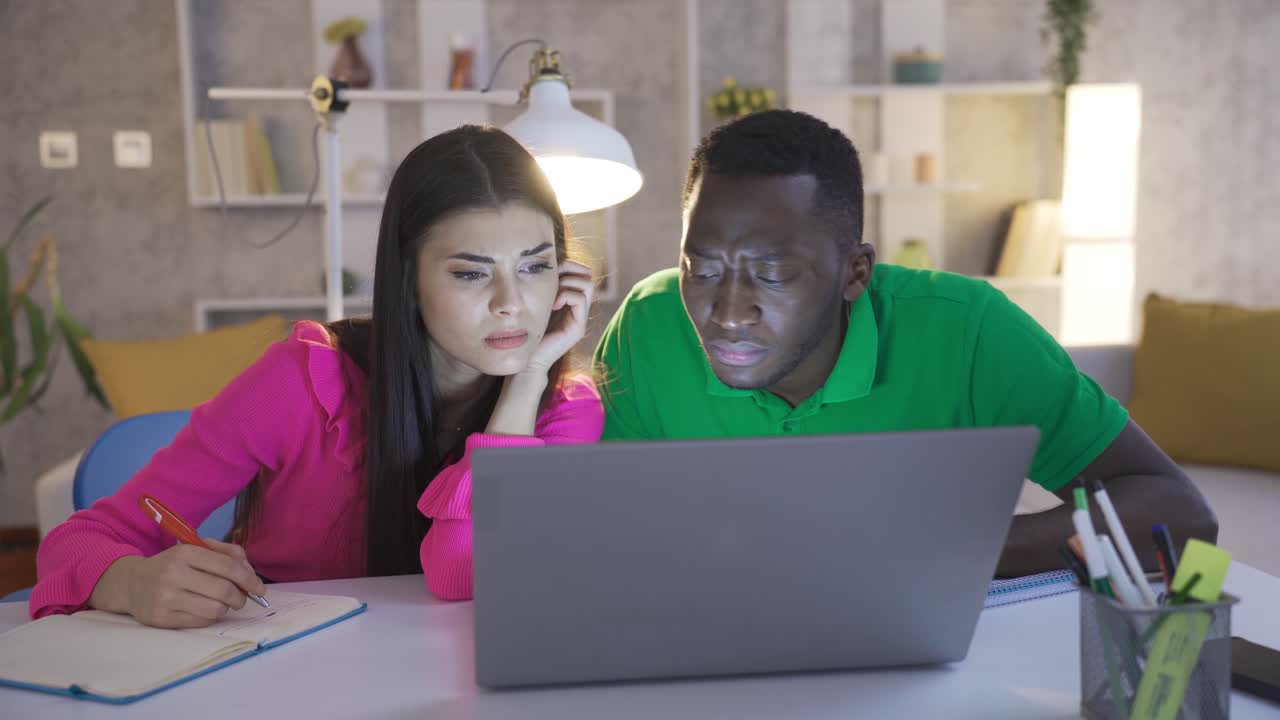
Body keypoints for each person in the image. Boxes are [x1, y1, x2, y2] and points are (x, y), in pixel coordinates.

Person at [593, 109, 1217, 577]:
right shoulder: (647, 326)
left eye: (774, 273)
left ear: (855, 273)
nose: (726, 312)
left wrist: (942, 555)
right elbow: (594, 531)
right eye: (701, 269)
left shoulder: (969, 330)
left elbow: (1180, 518)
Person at [32, 125, 602, 625]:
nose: (511, 303)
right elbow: (77, 542)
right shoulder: (300, 382)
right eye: (471, 273)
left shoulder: (564, 406)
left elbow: (464, 574)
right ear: (408, 281)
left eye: (535, 266)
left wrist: (528, 376)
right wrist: (132, 584)